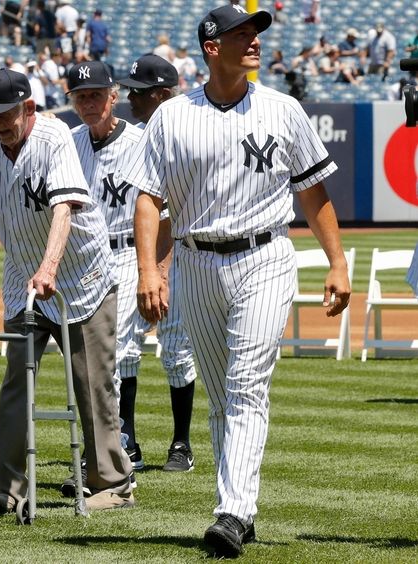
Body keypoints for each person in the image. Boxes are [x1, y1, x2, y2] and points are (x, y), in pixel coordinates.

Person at [131, 5, 350, 557]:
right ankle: (240, 507)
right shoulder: (172, 117)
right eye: (242, 33)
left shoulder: (283, 108)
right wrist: (148, 269)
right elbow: (149, 201)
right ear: (212, 46)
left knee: (246, 382)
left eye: (256, 33)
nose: (254, 40)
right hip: (196, 261)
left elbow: (313, 192)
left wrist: (338, 262)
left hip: (266, 255)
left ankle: (232, 512)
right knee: (221, 394)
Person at [0, 68, 134, 514]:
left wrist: (49, 268)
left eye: (6, 114)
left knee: (91, 383)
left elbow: (64, 209)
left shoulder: (55, 138)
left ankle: (112, 484)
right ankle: (10, 488)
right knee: (17, 379)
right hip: (23, 278)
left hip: (81, 276)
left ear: (29, 108)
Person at [66, 60, 153, 474]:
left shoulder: (139, 141)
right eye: (81, 96)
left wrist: (158, 271)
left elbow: (162, 211)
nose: (88, 103)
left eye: (96, 95)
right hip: (84, 259)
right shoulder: (69, 143)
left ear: (113, 97)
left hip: (128, 252)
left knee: (117, 354)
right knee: (91, 359)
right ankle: (116, 448)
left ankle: (107, 454)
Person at [118, 54, 199, 473]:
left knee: (178, 348)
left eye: (139, 92)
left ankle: (182, 443)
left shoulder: (183, 134)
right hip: (141, 257)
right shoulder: (137, 137)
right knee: (125, 349)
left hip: (182, 256)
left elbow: (169, 213)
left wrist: (160, 270)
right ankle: (127, 442)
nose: (131, 98)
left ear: (163, 94)